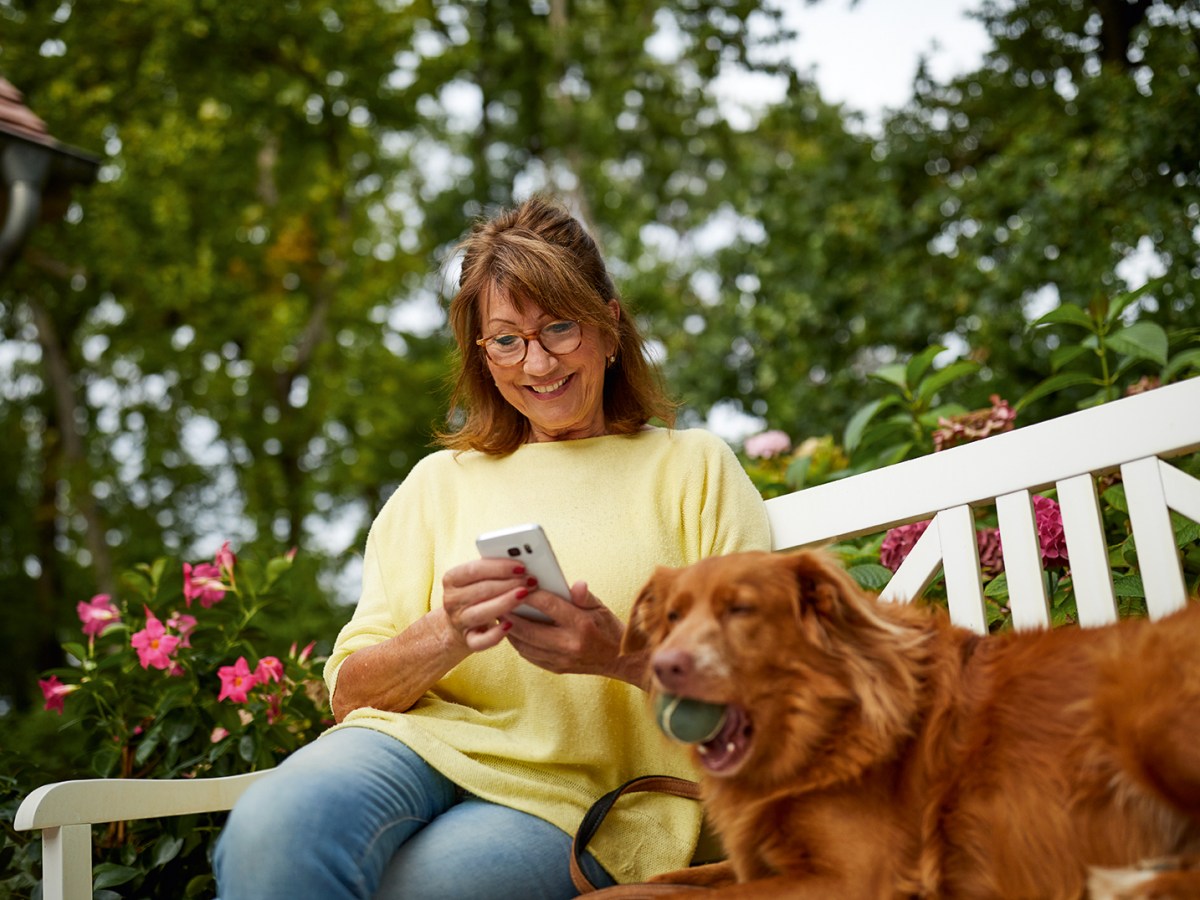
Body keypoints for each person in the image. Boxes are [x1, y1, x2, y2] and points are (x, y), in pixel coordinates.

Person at [213, 195, 771, 899]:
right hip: (412, 748)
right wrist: (445, 635)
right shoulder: (435, 484)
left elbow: (764, 684)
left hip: (582, 801)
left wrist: (616, 656)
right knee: (272, 825)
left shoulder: (692, 468)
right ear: (481, 353)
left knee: (419, 891)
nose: (536, 363)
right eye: (506, 340)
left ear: (608, 323)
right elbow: (351, 694)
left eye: (559, 328)